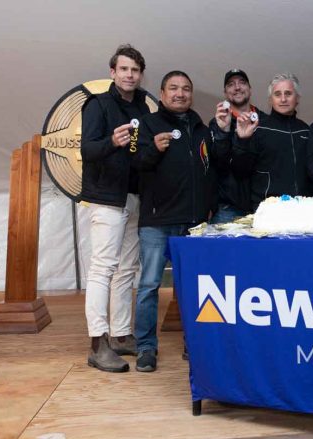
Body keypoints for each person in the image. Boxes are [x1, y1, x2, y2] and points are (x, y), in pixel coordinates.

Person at [132, 71, 231, 372]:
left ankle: (195, 342)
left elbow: (214, 169)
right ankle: (146, 347)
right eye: (173, 88)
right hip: (157, 220)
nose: (180, 93)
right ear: (161, 93)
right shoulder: (147, 125)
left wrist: (209, 207)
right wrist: (153, 150)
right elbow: (133, 166)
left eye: (186, 89)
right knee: (149, 285)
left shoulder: (201, 129)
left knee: (192, 287)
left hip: (193, 222)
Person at [80, 44, 150, 373]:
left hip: (134, 196)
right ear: (113, 72)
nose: (129, 75)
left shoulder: (144, 107)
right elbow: (88, 150)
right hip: (106, 197)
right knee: (102, 269)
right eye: (124, 69)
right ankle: (98, 342)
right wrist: (112, 142)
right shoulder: (98, 105)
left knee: (126, 270)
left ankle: (122, 334)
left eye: (135, 70)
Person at [233, 73, 312, 210]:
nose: (283, 99)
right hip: (267, 210)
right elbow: (241, 171)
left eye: (288, 93)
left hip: (302, 209)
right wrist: (243, 141)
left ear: (297, 99)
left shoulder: (306, 130)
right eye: (277, 94)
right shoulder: (258, 128)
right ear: (270, 100)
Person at [209, 69, 267, 222]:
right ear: (225, 92)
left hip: (264, 207)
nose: (237, 87)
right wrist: (224, 131)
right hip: (229, 209)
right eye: (231, 84)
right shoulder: (218, 122)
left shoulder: (266, 121)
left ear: (250, 89)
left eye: (242, 83)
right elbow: (218, 164)